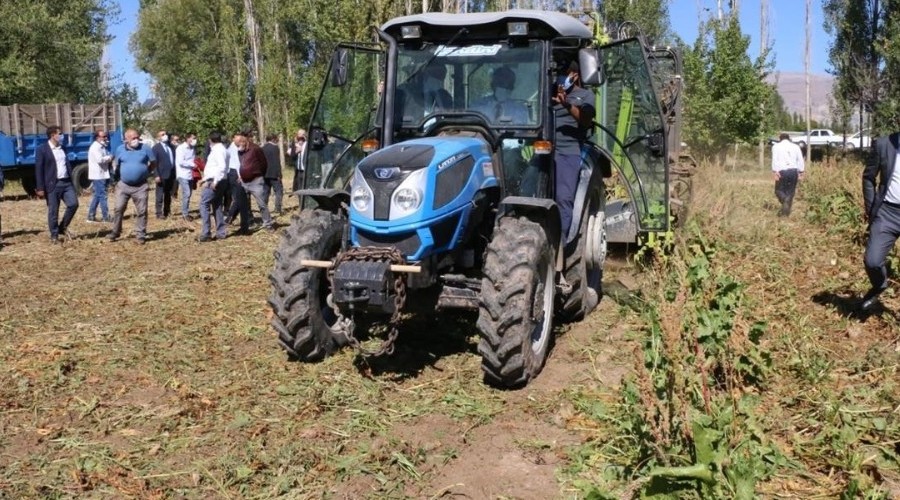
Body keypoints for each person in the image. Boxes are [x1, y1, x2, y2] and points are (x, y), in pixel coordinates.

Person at [551, 60, 595, 240]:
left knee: (563, 198)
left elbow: (585, 120)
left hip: (568, 150)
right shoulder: (549, 92)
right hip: (545, 149)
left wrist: (567, 105)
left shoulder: (585, 96)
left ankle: (561, 243)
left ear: (574, 75)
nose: (559, 77)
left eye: (563, 72)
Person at [860, 131, 900, 312]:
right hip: (887, 213)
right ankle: (879, 286)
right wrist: (871, 208)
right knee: (872, 261)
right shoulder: (884, 144)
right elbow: (868, 177)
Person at [108, 129, 155, 244]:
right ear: (126, 139)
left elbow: (153, 162)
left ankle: (140, 235)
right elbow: (116, 165)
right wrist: (117, 178)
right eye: (133, 138)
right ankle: (115, 231)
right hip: (123, 185)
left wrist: (145, 172)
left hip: (141, 186)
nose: (136, 140)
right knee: (118, 208)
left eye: (137, 137)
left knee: (142, 211)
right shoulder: (120, 149)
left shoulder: (145, 148)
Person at [35, 126, 79, 244]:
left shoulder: (62, 148)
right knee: (53, 211)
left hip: (66, 182)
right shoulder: (42, 149)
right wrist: (40, 188)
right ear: (52, 135)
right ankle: (54, 236)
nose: (62, 135)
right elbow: (39, 169)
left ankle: (62, 227)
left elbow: (66, 164)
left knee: (73, 204)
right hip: (52, 184)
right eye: (60, 133)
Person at [237, 133, 275, 232]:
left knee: (261, 204)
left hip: (256, 181)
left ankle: (268, 224)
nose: (239, 147)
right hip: (244, 182)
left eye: (240, 144)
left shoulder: (256, 149)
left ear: (245, 142)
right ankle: (245, 225)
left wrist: (258, 174)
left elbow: (263, 163)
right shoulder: (240, 152)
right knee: (244, 205)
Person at [198, 131, 229, 242]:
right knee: (217, 205)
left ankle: (206, 233)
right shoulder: (222, 149)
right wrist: (204, 179)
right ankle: (221, 232)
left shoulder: (218, 150)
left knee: (204, 204)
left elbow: (221, 167)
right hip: (218, 179)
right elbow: (214, 168)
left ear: (210, 140)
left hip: (216, 181)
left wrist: (215, 181)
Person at [771, 132, 805, 216]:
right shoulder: (796, 146)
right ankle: (785, 213)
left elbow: (775, 159)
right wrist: (801, 171)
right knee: (790, 191)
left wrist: (775, 171)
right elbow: (800, 159)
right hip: (793, 171)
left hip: (782, 171)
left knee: (778, 190)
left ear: (780, 138)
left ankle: (784, 201)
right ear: (789, 138)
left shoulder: (776, 147)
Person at [225, 131, 251, 233]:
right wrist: (241, 176)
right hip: (235, 174)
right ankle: (242, 225)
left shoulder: (237, 148)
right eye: (238, 139)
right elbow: (237, 164)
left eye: (241, 139)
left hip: (236, 174)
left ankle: (230, 218)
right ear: (233, 139)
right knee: (240, 199)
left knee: (240, 199)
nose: (240, 141)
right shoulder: (232, 149)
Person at [87, 129, 113, 223]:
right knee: (103, 196)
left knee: (97, 195)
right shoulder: (95, 147)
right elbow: (100, 160)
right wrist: (110, 158)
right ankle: (106, 217)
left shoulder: (101, 146)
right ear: (97, 137)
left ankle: (90, 216)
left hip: (102, 173)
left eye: (106, 136)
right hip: (98, 175)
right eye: (103, 136)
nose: (106, 138)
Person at [152, 129, 177, 219]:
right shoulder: (156, 148)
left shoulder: (171, 147)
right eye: (162, 134)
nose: (165, 135)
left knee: (168, 194)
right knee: (159, 195)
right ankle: (159, 213)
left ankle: (167, 211)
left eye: (165, 134)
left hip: (171, 174)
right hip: (161, 175)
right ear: (158, 138)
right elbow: (154, 163)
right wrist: (156, 175)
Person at [175, 133, 197, 221]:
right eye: (193, 138)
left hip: (190, 174)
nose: (195, 140)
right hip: (182, 174)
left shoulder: (193, 149)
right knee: (187, 193)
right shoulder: (181, 148)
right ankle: (185, 214)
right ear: (188, 138)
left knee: (189, 194)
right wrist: (192, 164)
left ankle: (186, 211)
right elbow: (181, 161)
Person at [262, 133, 284, 215]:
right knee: (279, 190)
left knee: (266, 191)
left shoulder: (263, 148)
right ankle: (277, 207)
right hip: (274, 174)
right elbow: (277, 162)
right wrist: (279, 174)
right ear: (273, 139)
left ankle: (264, 207)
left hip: (265, 174)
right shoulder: (275, 148)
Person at [288, 129, 307, 193]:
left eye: (301, 135)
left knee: (306, 188)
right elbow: (292, 156)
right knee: (299, 189)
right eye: (298, 134)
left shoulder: (307, 144)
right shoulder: (295, 144)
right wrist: (296, 151)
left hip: (306, 170)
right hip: (298, 170)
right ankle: (300, 201)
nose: (299, 136)